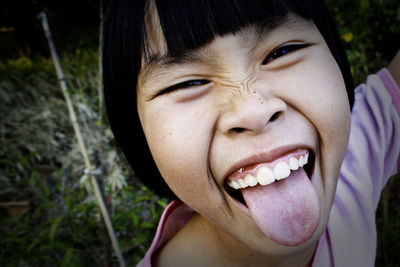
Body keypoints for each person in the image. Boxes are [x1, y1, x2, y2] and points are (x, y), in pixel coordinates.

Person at [102, 0, 400, 266]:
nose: (253, 111)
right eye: (186, 84)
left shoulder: (352, 166)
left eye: (283, 51)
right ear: (139, 134)